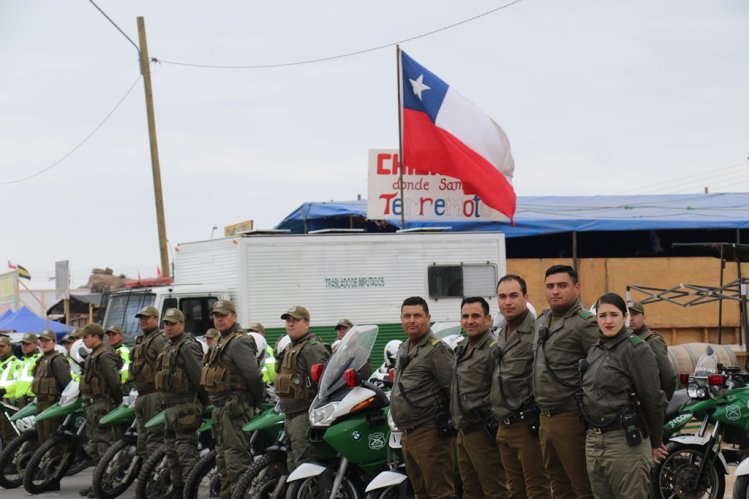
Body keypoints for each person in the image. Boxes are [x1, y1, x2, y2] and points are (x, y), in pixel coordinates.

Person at [581, 293, 667, 499]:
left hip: (626, 442)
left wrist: (656, 441)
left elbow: (653, 399)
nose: (608, 321)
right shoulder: (595, 349)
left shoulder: (636, 349)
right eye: (602, 316)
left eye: (614, 314)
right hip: (594, 440)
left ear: (624, 316)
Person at [533, 265, 599, 498]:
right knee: (558, 486)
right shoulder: (542, 321)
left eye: (562, 286)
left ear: (577, 288)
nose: (555, 291)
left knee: (582, 486)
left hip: (571, 417)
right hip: (544, 417)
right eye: (550, 286)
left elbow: (601, 369)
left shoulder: (585, 323)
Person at [390, 296, 455, 498]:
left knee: (440, 492)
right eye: (407, 316)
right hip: (408, 434)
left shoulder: (437, 350)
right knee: (420, 492)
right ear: (401, 318)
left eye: (417, 315)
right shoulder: (404, 347)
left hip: (430, 432)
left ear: (428, 317)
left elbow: (453, 389)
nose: (411, 320)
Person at [492, 275, 550, 499]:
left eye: (513, 296)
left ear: (525, 298)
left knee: (538, 490)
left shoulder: (537, 331)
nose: (507, 302)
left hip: (528, 426)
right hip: (504, 426)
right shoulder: (503, 333)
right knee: (515, 491)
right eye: (502, 296)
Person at [200, 300, 263, 499]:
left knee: (236, 462)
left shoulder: (239, 341)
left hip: (234, 408)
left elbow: (253, 376)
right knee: (223, 462)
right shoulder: (220, 340)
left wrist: (254, 402)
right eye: (216, 316)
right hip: (221, 409)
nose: (219, 319)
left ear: (234, 317)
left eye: (223, 315)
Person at [450, 297, 508, 499]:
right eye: (465, 316)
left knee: (495, 491)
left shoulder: (494, 349)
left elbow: (501, 391)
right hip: (464, 433)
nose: (470, 321)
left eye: (476, 316)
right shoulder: (462, 347)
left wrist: (491, 425)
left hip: (484, 433)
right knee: (470, 491)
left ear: (488, 319)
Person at [155, 308, 207, 499]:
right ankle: (177, 489)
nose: (168, 327)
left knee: (186, 452)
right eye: (166, 323)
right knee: (171, 452)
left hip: (185, 406)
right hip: (170, 406)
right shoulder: (169, 345)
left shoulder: (188, 346)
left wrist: (204, 402)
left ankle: (189, 491)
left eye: (172, 323)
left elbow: (199, 377)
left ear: (182, 324)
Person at [274, 305, 330, 472]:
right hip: (289, 416)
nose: (290, 324)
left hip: (303, 415)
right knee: (293, 465)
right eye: (288, 321)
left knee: (305, 466)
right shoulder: (290, 348)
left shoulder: (312, 348)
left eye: (295, 320)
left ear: (306, 323)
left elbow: (325, 383)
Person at [78, 324, 122, 498]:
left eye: (85, 337)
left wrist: (117, 402)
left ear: (95, 337)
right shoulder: (94, 354)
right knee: (95, 446)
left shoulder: (104, 354)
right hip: (92, 405)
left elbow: (114, 381)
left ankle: (106, 483)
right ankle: (97, 483)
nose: (83, 340)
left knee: (105, 444)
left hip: (102, 403)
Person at [129, 306, 167, 460]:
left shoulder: (159, 339)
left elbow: (167, 364)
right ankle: (147, 477)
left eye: (147, 318)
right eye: (141, 318)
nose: (143, 321)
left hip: (154, 394)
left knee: (154, 439)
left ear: (156, 319)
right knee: (142, 439)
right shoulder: (142, 340)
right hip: (141, 395)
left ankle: (156, 479)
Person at [628, 301, 676, 400]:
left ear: (644, 317)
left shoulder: (652, 340)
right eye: (628, 314)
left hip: (648, 401)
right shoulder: (626, 339)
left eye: (635, 314)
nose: (631, 318)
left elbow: (667, 375)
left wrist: (662, 401)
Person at [32, 330, 72, 444]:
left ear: (54, 342)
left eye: (47, 340)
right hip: (40, 402)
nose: (44, 343)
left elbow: (66, 383)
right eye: (41, 340)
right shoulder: (40, 360)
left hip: (51, 403)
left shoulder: (57, 359)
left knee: (51, 438)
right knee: (42, 438)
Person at [4, 333, 41, 406]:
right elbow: (19, 382)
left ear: (36, 344)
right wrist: (4, 391)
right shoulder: (23, 361)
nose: (24, 346)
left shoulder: (40, 359)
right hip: (20, 401)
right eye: (23, 343)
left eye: (27, 344)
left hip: (32, 401)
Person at [0, 335, 21, 445]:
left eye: (2, 346)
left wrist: (4, 391)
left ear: (9, 347)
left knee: (9, 435)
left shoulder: (16, 364)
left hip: (8, 404)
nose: (0, 349)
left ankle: (10, 461)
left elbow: (20, 383)